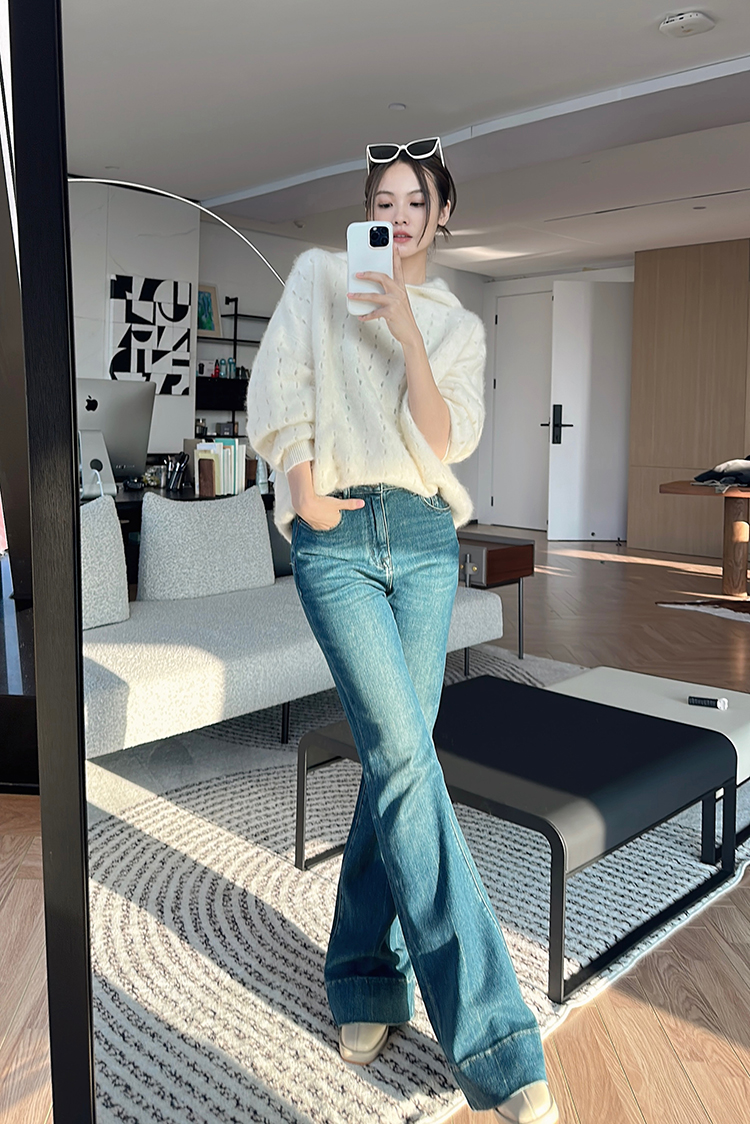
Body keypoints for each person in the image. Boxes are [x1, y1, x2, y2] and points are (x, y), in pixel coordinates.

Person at [246, 137, 558, 1124]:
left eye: (414, 200)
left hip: (423, 538)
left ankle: (362, 976)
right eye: (382, 200)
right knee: (404, 757)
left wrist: (410, 335)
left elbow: (445, 436)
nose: (398, 214)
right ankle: (498, 1043)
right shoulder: (317, 282)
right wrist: (305, 494)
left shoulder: (455, 324)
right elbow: (277, 393)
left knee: (399, 756)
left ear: (441, 213)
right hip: (337, 534)